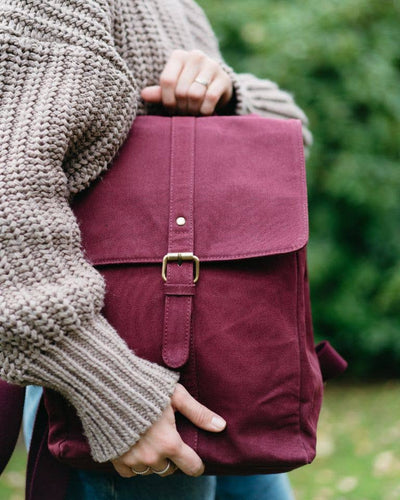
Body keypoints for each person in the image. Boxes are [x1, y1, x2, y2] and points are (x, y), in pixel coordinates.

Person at [0, 0, 311, 498]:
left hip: (234, 383)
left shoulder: (182, 7)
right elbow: (10, 195)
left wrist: (227, 95)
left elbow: (294, 138)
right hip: (126, 394)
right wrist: (109, 389)